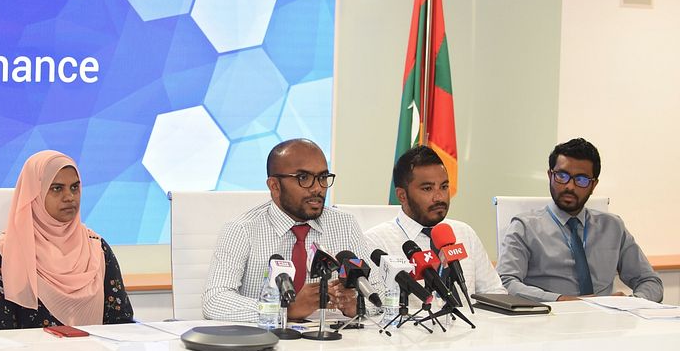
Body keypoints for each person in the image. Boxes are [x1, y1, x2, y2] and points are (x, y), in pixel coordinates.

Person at [203, 139, 375, 322]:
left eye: (323, 177)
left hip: (331, 337)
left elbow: (379, 293)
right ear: (274, 186)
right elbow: (214, 301)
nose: (317, 188)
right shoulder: (242, 229)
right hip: (267, 337)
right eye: (304, 178)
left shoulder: (345, 225)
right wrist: (283, 310)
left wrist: (357, 305)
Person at [0, 150, 133, 329]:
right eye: (57, 188)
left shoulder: (97, 249)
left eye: (74, 187)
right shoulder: (3, 259)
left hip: (95, 348)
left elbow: (121, 323)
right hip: (28, 349)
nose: (69, 197)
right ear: (34, 194)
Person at [498, 138, 663, 302]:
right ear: (550, 175)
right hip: (551, 314)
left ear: (594, 185)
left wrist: (631, 302)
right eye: (562, 176)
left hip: (605, 316)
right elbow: (506, 282)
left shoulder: (613, 227)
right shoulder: (525, 227)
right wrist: (561, 300)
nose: (570, 186)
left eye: (581, 179)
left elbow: (650, 282)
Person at [366, 145, 505, 301]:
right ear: (402, 195)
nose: (439, 197)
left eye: (444, 187)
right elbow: (372, 305)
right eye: (427, 189)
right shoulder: (376, 242)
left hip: (469, 317)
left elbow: (495, 293)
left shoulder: (465, 233)